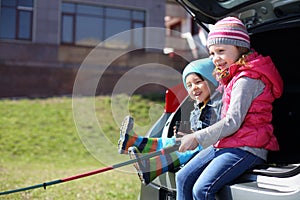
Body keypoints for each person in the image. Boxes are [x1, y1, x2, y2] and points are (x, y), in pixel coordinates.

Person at [175, 16, 284, 200]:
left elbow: (232, 121)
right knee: (182, 177)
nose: (215, 58)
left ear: (239, 48)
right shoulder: (232, 77)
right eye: (211, 53)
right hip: (228, 143)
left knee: (202, 190)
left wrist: (197, 137)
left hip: (247, 147)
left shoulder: (246, 80)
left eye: (221, 51)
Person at [117, 57, 222, 185]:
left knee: (185, 150)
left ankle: (152, 167)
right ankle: (134, 142)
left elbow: (217, 129)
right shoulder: (197, 107)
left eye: (198, 82)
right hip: (198, 141)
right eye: (188, 85)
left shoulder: (218, 104)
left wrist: (194, 137)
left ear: (211, 80)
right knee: (172, 141)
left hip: (209, 147)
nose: (193, 88)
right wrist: (187, 134)